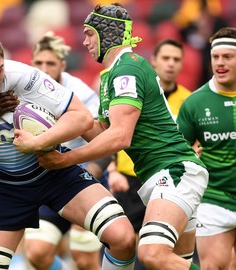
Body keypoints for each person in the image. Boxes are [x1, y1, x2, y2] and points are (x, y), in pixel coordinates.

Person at [28, 3, 209, 270]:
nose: (84, 40)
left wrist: (64, 160)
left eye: (90, 33)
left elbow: (119, 137)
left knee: (151, 254)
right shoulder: (111, 74)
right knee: (174, 264)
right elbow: (100, 131)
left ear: (108, 34)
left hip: (173, 171)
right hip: (161, 174)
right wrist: (62, 108)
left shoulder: (127, 69)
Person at [0, 34, 137, 270]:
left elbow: (83, 118)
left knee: (124, 238)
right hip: (6, 187)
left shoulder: (25, 77)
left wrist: (38, 143)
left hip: (55, 173)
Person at [24, 31, 108, 270]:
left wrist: (91, 174)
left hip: (82, 176)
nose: (44, 68)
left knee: (84, 259)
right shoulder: (22, 90)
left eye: (50, 63)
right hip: (46, 178)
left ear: (62, 65)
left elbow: (104, 142)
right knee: (37, 253)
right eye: (39, 63)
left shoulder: (79, 93)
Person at [108, 38, 192, 270]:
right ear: (153, 61)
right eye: (166, 58)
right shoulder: (134, 89)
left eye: (176, 59)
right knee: (124, 250)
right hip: (128, 182)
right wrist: (112, 170)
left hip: (169, 178)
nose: (171, 64)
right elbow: (114, 131)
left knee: (156, 255)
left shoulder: (189, 101)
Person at [177, 26, 236, 270]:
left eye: (228, 57)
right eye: (215, 57)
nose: (220, 63)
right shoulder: (195, 103)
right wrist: (189, 157)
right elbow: (177, 151)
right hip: (214, 198)